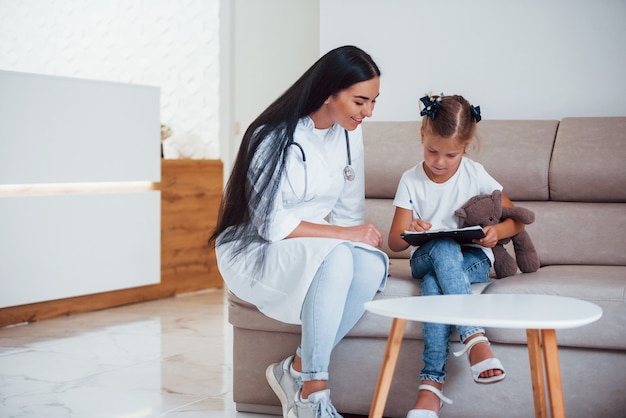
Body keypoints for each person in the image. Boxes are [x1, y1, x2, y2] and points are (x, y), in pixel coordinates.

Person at [209, 45, 389, 418]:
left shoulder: (348, 135)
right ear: (329, 92)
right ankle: (312, 392)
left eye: (373, 102)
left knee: (371, 264)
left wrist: (353, 236)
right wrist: (343, 237)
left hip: (313, 242)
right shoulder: (271, 136)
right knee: (340, 253)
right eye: (360, 101)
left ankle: (293, 369)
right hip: (256, 247)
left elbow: (347, 211)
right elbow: (272, 225)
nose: (368, 112)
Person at [387, 94, 524, 418]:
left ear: (466, 147)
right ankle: (474, 338)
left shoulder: (475, 174)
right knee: (443, 249)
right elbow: (394, 242)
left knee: (435, 286)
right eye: (432, 151)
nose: (440, 161)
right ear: (422, 136)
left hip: (472, 259)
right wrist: (412, 227)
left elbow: (516, 218)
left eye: (451, 154)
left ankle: (430, 388)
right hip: (425, 255)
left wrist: (497, 233)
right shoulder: (410, 180)